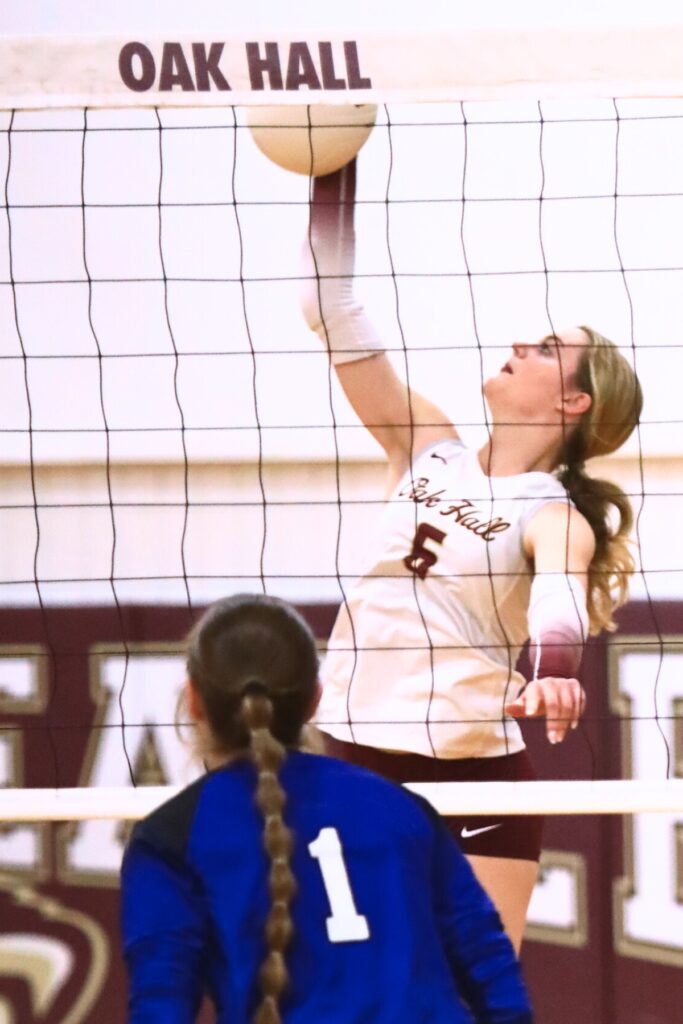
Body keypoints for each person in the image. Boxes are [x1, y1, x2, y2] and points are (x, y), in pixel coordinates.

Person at [299, 164, 643, 953]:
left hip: (474, 779)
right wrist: (329, 166)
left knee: (480, 997)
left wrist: (553, 668)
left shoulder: (552, 514)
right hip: (353, 754)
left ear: (572, 402)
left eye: (547, 350)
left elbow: (559, 596)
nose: (521, 344)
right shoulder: (425, 442)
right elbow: (329, 306)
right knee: (347, 983)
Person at [120, 593, 534, 1024]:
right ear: (315, 700)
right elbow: (493, 973)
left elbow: (160, 1007)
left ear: (193, 701)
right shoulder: (403, 808)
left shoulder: (170, 837)